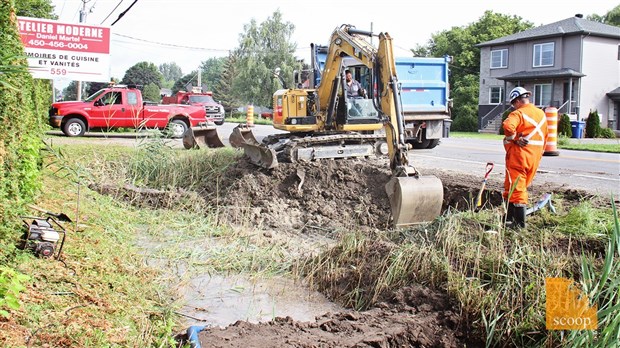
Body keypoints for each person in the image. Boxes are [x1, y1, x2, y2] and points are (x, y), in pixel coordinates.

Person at [502, 87, 548, 228]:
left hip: (519, 157)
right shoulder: (541, 114)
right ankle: (508, 219)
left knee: (518, 190)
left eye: (513, 104)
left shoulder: (518, 114)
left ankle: (520, 225)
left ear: (516, 101)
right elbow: (545, 138)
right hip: (534, 158)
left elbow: (508, 127)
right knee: (512, 188)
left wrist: (515, 137)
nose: (513, 107)